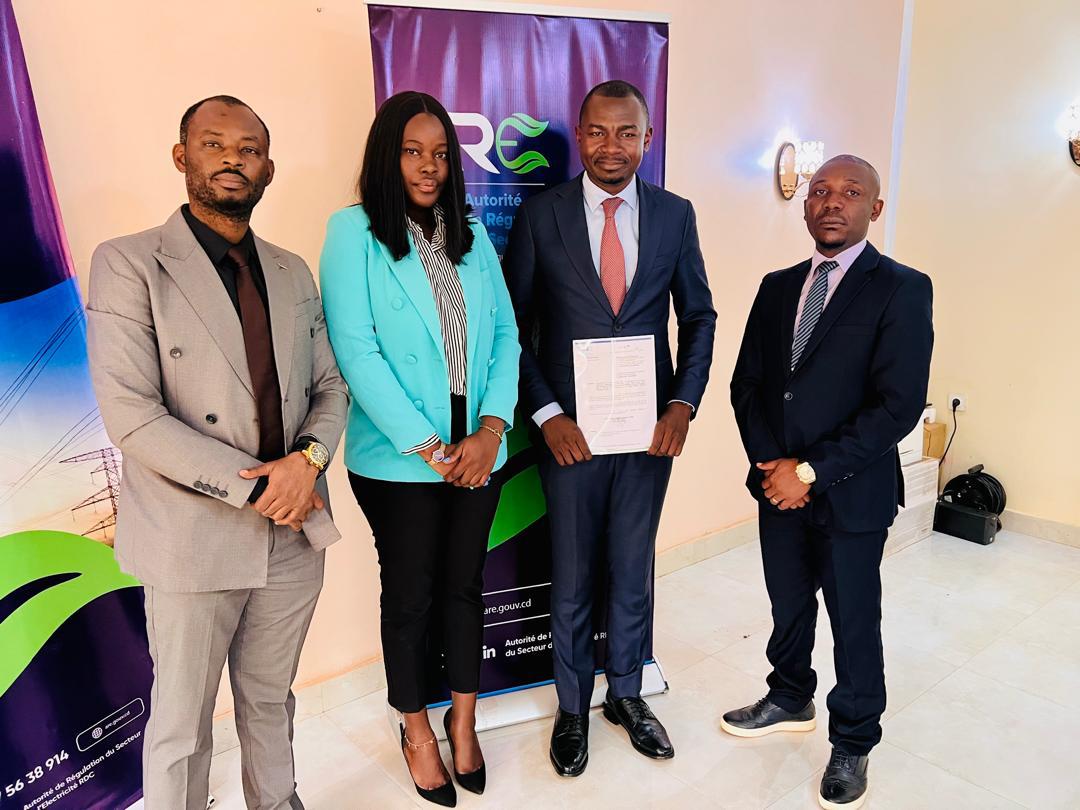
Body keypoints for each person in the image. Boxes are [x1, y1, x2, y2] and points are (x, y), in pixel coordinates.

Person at [86, 96, 348, 810]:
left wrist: (309, 461)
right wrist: (263, 488)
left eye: (249, 148)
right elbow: (132, 415)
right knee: (182, 723)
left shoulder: (291, 270)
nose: (233, 158)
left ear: (268, 169)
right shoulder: (129, 263)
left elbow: (330, 386)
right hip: (192, 534)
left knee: (271, 697)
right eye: (213, 143)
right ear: (182, 157)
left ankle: (277, 801)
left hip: (293, 532)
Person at [503, 80, 716, 777]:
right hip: (571, 436)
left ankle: (626, 694)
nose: (611, 146)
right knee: (571, 575)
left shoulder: (675, 215)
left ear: (647, 139)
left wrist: (683, 403)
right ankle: (572, 708)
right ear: (580, 134)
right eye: (597, 131)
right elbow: (512, 327)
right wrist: (546, 413)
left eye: (627, 132)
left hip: (650, 432)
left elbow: (699, 316)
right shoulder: (541, 215)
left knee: (633, 567)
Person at [319, 91, 520, 807]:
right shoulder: (353, 232)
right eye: (412, 151)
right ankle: (415, 730)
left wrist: (490, 431)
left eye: (439, 153)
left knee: (466, 587)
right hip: (399, 460)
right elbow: (356, 351)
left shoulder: (471, 233)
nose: (428, 166)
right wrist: (435, 449)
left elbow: (506, 334)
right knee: (409, 597)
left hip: (479, 451)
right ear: (387, 156)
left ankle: (463, 720)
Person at [726, 155, 934, 809]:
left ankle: (854, 739)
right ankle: (790, 696)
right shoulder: (777, 286)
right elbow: (747, 385)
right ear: (806, 204)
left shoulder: (902, 288)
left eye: (850, 192)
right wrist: (773, 466)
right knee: (788, 606)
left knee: (853, 620)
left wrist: (810, 471)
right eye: (819, 191)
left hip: (853, 492)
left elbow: (897, 406)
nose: (831, 202)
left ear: (876, 207)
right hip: (777, 489)